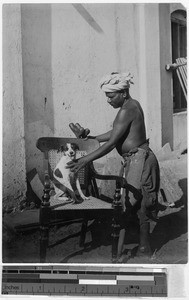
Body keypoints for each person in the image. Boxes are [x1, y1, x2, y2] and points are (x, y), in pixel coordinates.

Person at [67, 72, 160, 261]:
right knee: (137, 203)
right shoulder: (130, 106)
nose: (108, 100)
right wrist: (91, 139)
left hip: (140, 160)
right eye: (107, 96)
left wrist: (84, 160)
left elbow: (111, 143)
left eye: (111, 96)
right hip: (135, 160)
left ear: (123, 93)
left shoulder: (127, 109)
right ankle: (143, 247)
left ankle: (144, 249)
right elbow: (115, 132)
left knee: (138, 204)